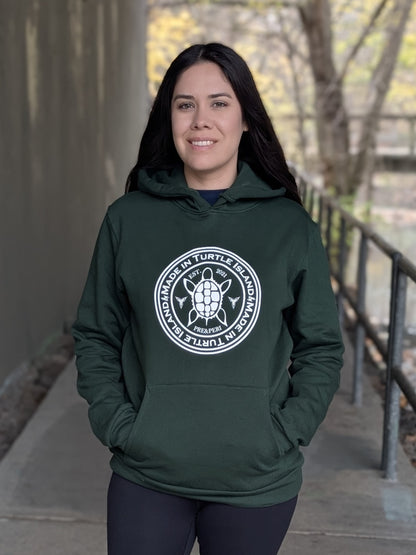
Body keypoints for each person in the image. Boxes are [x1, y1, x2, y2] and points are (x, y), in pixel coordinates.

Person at [72, 43, 344, 555]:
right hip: (147, 474)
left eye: (219, 103)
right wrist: (120, 425)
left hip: (256, 481)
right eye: (184, 104)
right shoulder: (128, 219)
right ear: (168, 118)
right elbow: (95, 334)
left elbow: (321, 346)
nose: (201, 120)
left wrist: (287, 430)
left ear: (246, 119)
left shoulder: (289, 227)